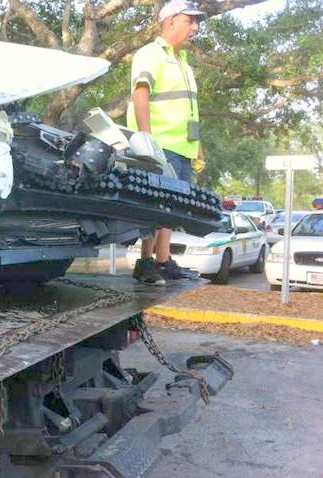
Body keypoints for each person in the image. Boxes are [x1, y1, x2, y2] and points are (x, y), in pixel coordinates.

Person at [127, 0, 206, 285]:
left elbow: (190, 109)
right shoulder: (151, 54)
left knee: (172, 207)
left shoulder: (184, 63)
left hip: (182, 147)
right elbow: (140, 94)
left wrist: (197, 147)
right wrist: (146, 138)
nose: (195, 27)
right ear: (171, 20)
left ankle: (163, 260)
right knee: (157, 205)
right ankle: (146, 261)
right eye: (190, 20)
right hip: (160, 144)